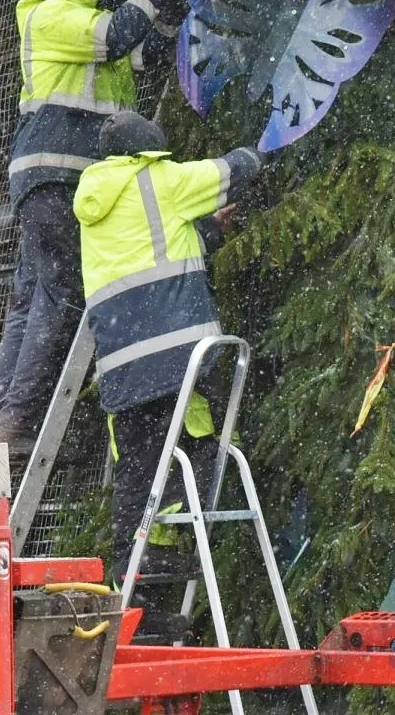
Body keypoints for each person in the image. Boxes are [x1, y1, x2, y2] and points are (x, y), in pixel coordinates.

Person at [0, 0, 181, 448]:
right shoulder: (52, 15)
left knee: (30, 298)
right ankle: (20, 425)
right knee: (65, 295)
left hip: (52, 181)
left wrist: (171, 1)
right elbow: (118, 35)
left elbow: (146, 51)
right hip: (58, 179)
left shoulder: (87, 25)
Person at [72, 110, 264, 580]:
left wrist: (210, 230)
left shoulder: (95, 204)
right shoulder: (161, 179)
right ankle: (188, 524)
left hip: (122, 366)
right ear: (148, 149)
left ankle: (138, 558)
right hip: (180, 356)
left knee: (137, 460)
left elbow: (157, 248)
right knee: (205, 439)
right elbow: (230, 171)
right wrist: (261, 149)